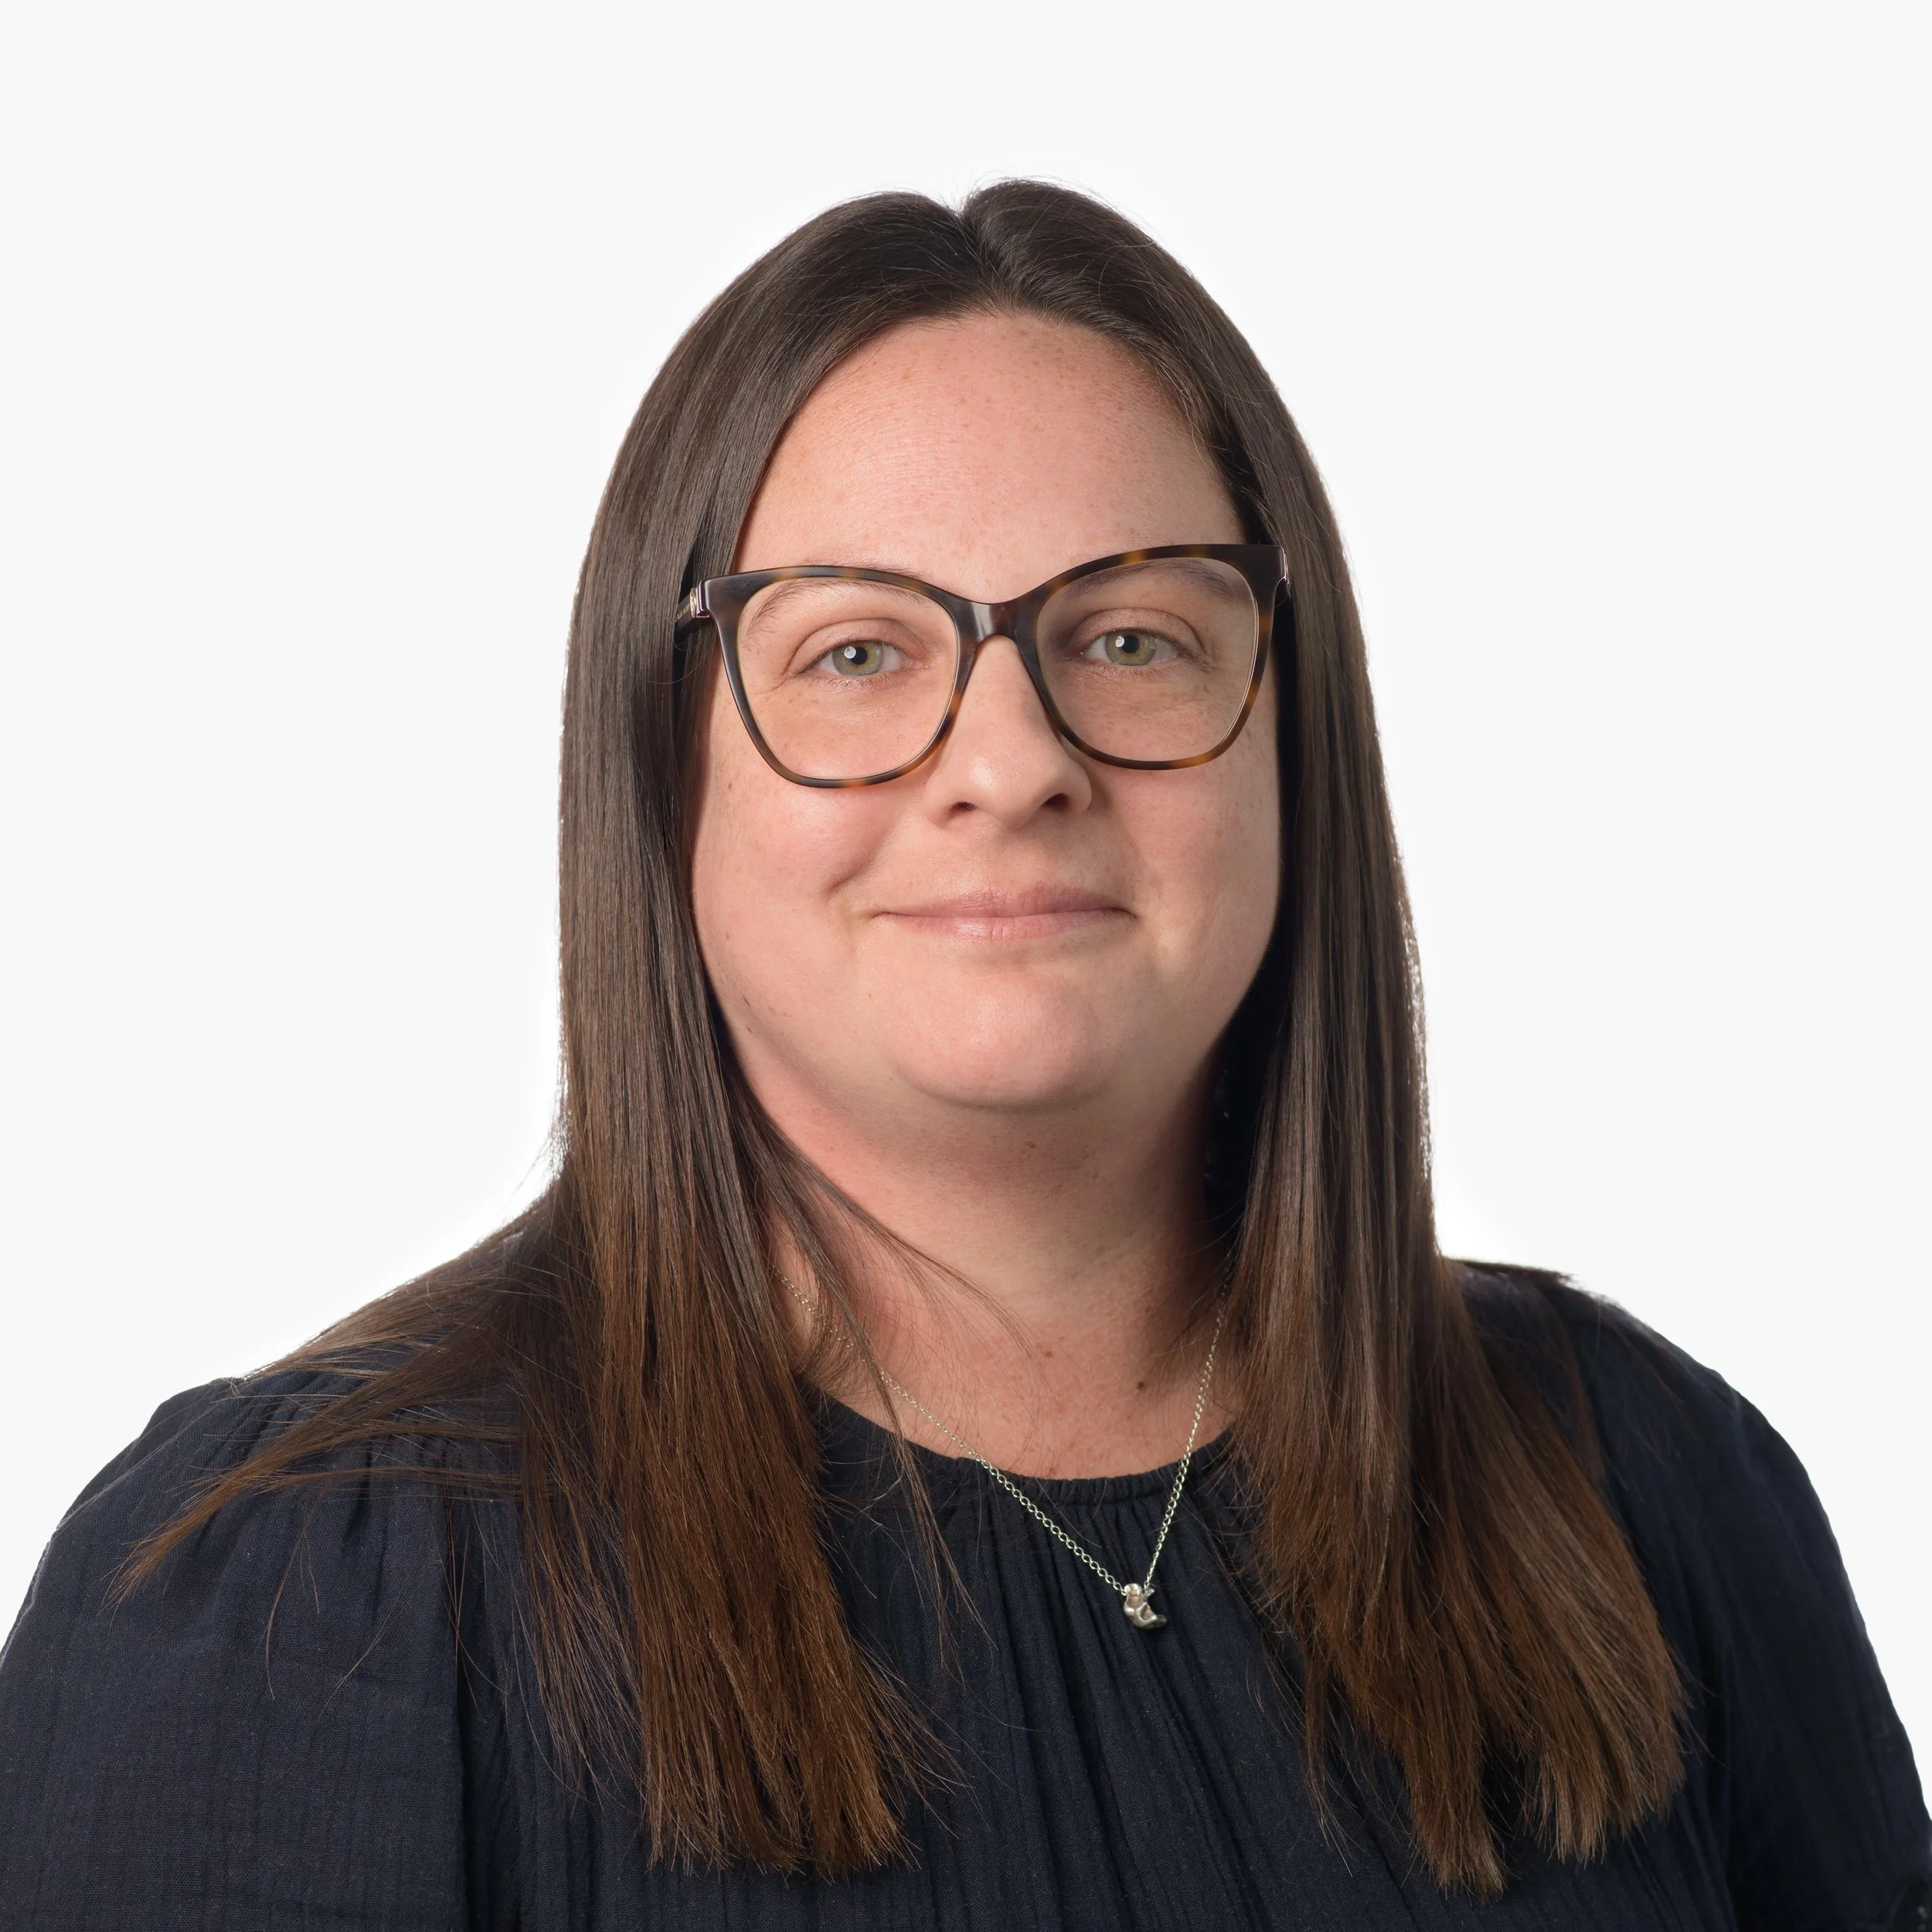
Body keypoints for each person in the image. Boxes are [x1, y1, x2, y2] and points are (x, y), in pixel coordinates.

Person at [0, 181, 1923, 1931]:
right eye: (853, 653)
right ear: (658, 765)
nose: (1012, 760)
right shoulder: (284, 1601)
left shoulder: (1644, 1485)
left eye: (1132, 637)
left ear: (1290, 740)